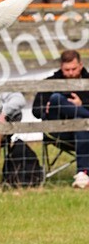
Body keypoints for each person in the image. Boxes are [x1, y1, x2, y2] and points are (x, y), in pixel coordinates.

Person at [32, 49, 89, 189]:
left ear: (81, 65)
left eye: (73, 69)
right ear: (61, 67)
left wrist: (82, 105)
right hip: (58, 131)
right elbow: (36, 111)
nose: (70, 73)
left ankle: (82, 174)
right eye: (67, 69)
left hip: (83, 132)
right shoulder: (51, 82)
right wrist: (46, 110)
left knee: (79, 122)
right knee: (56, 98)